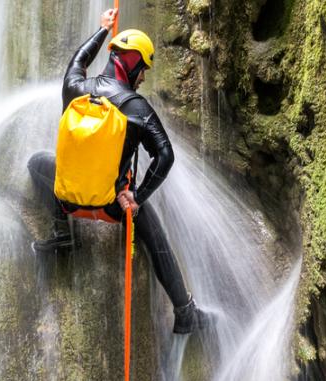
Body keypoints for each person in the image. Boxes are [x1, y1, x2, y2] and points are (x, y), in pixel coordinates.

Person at [28, 9, 209, 334]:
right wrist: (137, 196)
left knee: (36, 163)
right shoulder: (136, 108)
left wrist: (102, 31)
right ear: (132, 62)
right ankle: (185, 312)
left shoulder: (74, 89)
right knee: (155, 236)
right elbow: (165, 156)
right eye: (143, 69)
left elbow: (78, 61)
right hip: (113, 207)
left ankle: (61, 232)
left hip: (69, 200)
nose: (143, 77)